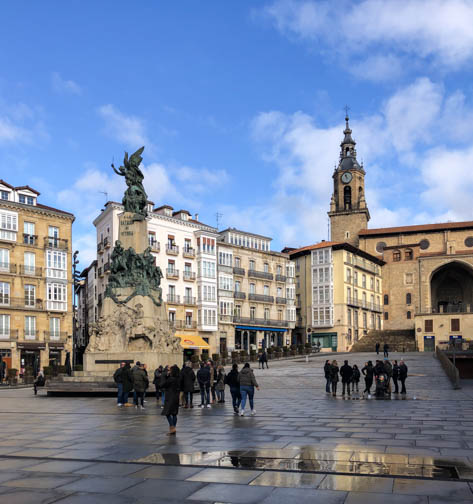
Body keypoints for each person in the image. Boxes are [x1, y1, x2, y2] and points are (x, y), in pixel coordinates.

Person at [161, 365, 181, 435]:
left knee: (167, 413)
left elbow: (162, 384)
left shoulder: (171, 379)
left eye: (170, 370)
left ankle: (172, 427)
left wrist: (166, 376)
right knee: (174, 413)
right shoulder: (178, 378)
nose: (169, 371)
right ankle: (173, 428)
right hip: (176, 397)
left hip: (170, 397)